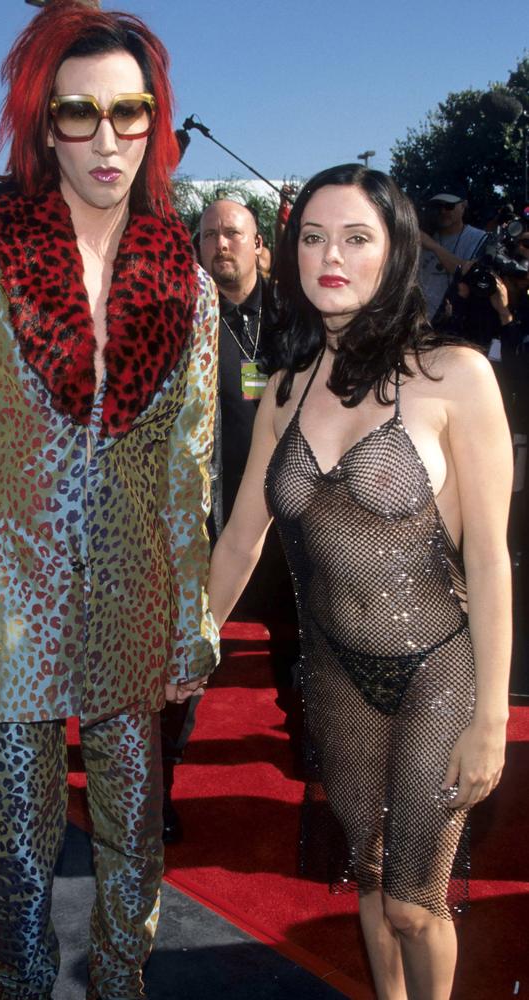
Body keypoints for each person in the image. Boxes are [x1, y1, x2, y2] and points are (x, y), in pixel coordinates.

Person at [0, 4, 218, 999]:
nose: (108, 138)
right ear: (44, 127)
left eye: (130, 112)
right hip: (5, 602)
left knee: (132, 837)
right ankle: (20, 988)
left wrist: (186, 624)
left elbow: (187, 475)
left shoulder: (187, 283)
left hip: (134, 597)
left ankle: (122, 983)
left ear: (155, 122)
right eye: (80, 115)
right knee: (18, 847)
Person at [208, 163, 512, 1000]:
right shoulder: (282, 392)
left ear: (395, 253)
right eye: (311, 237)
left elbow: (487, 558)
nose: (328, 256)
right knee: (370, 884)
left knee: (416, 903)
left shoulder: (453, 378)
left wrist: (491, 718)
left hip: (437, 675)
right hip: (335, 676)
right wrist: (188, 644)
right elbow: (240, 541)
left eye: (354, 237)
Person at [159, 198, 297, 842]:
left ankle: (322, 774)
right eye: (209, 234)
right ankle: (152, 787)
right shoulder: (176, 317)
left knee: (304, 653)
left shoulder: (297, 313)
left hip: (292, 512)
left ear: (259, 243)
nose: (221, 244)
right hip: (208, 515)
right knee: (186, 652)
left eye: (233, 233)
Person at [419, 187, 487, 322]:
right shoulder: (425, 235)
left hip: (459, 323)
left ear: (463, 206)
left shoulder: (479, 238)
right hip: (422, 322)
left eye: (449, 206)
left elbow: (469, 274)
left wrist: (434, 247)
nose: (443, 211)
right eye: (438, 206)